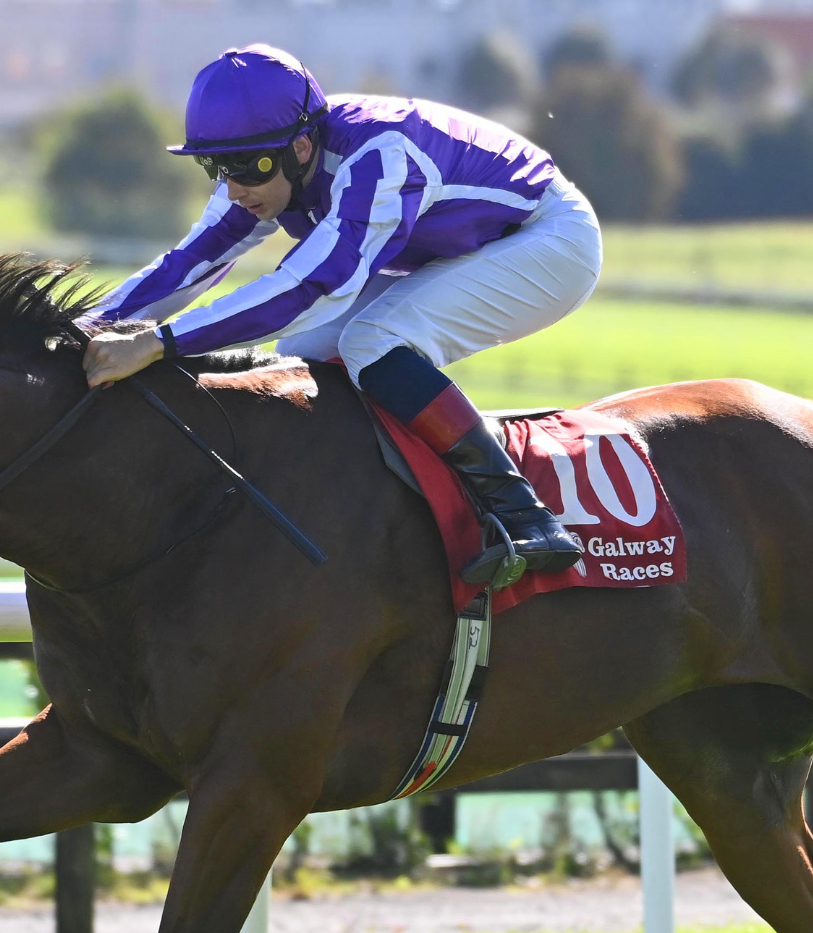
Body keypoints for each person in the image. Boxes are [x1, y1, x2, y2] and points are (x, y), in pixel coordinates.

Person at [81, 44, 602, 587]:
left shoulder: (379, 158)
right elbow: (190, 263)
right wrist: (85, 328)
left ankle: (524, 516)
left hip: (548, 238)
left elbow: (309, 288)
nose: (235, 187)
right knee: (301, 351)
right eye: (216, 166)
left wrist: (157, 343)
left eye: (247, 166)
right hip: (457, 241)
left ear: (301, 146)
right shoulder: (273, 162)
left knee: (371, 341)